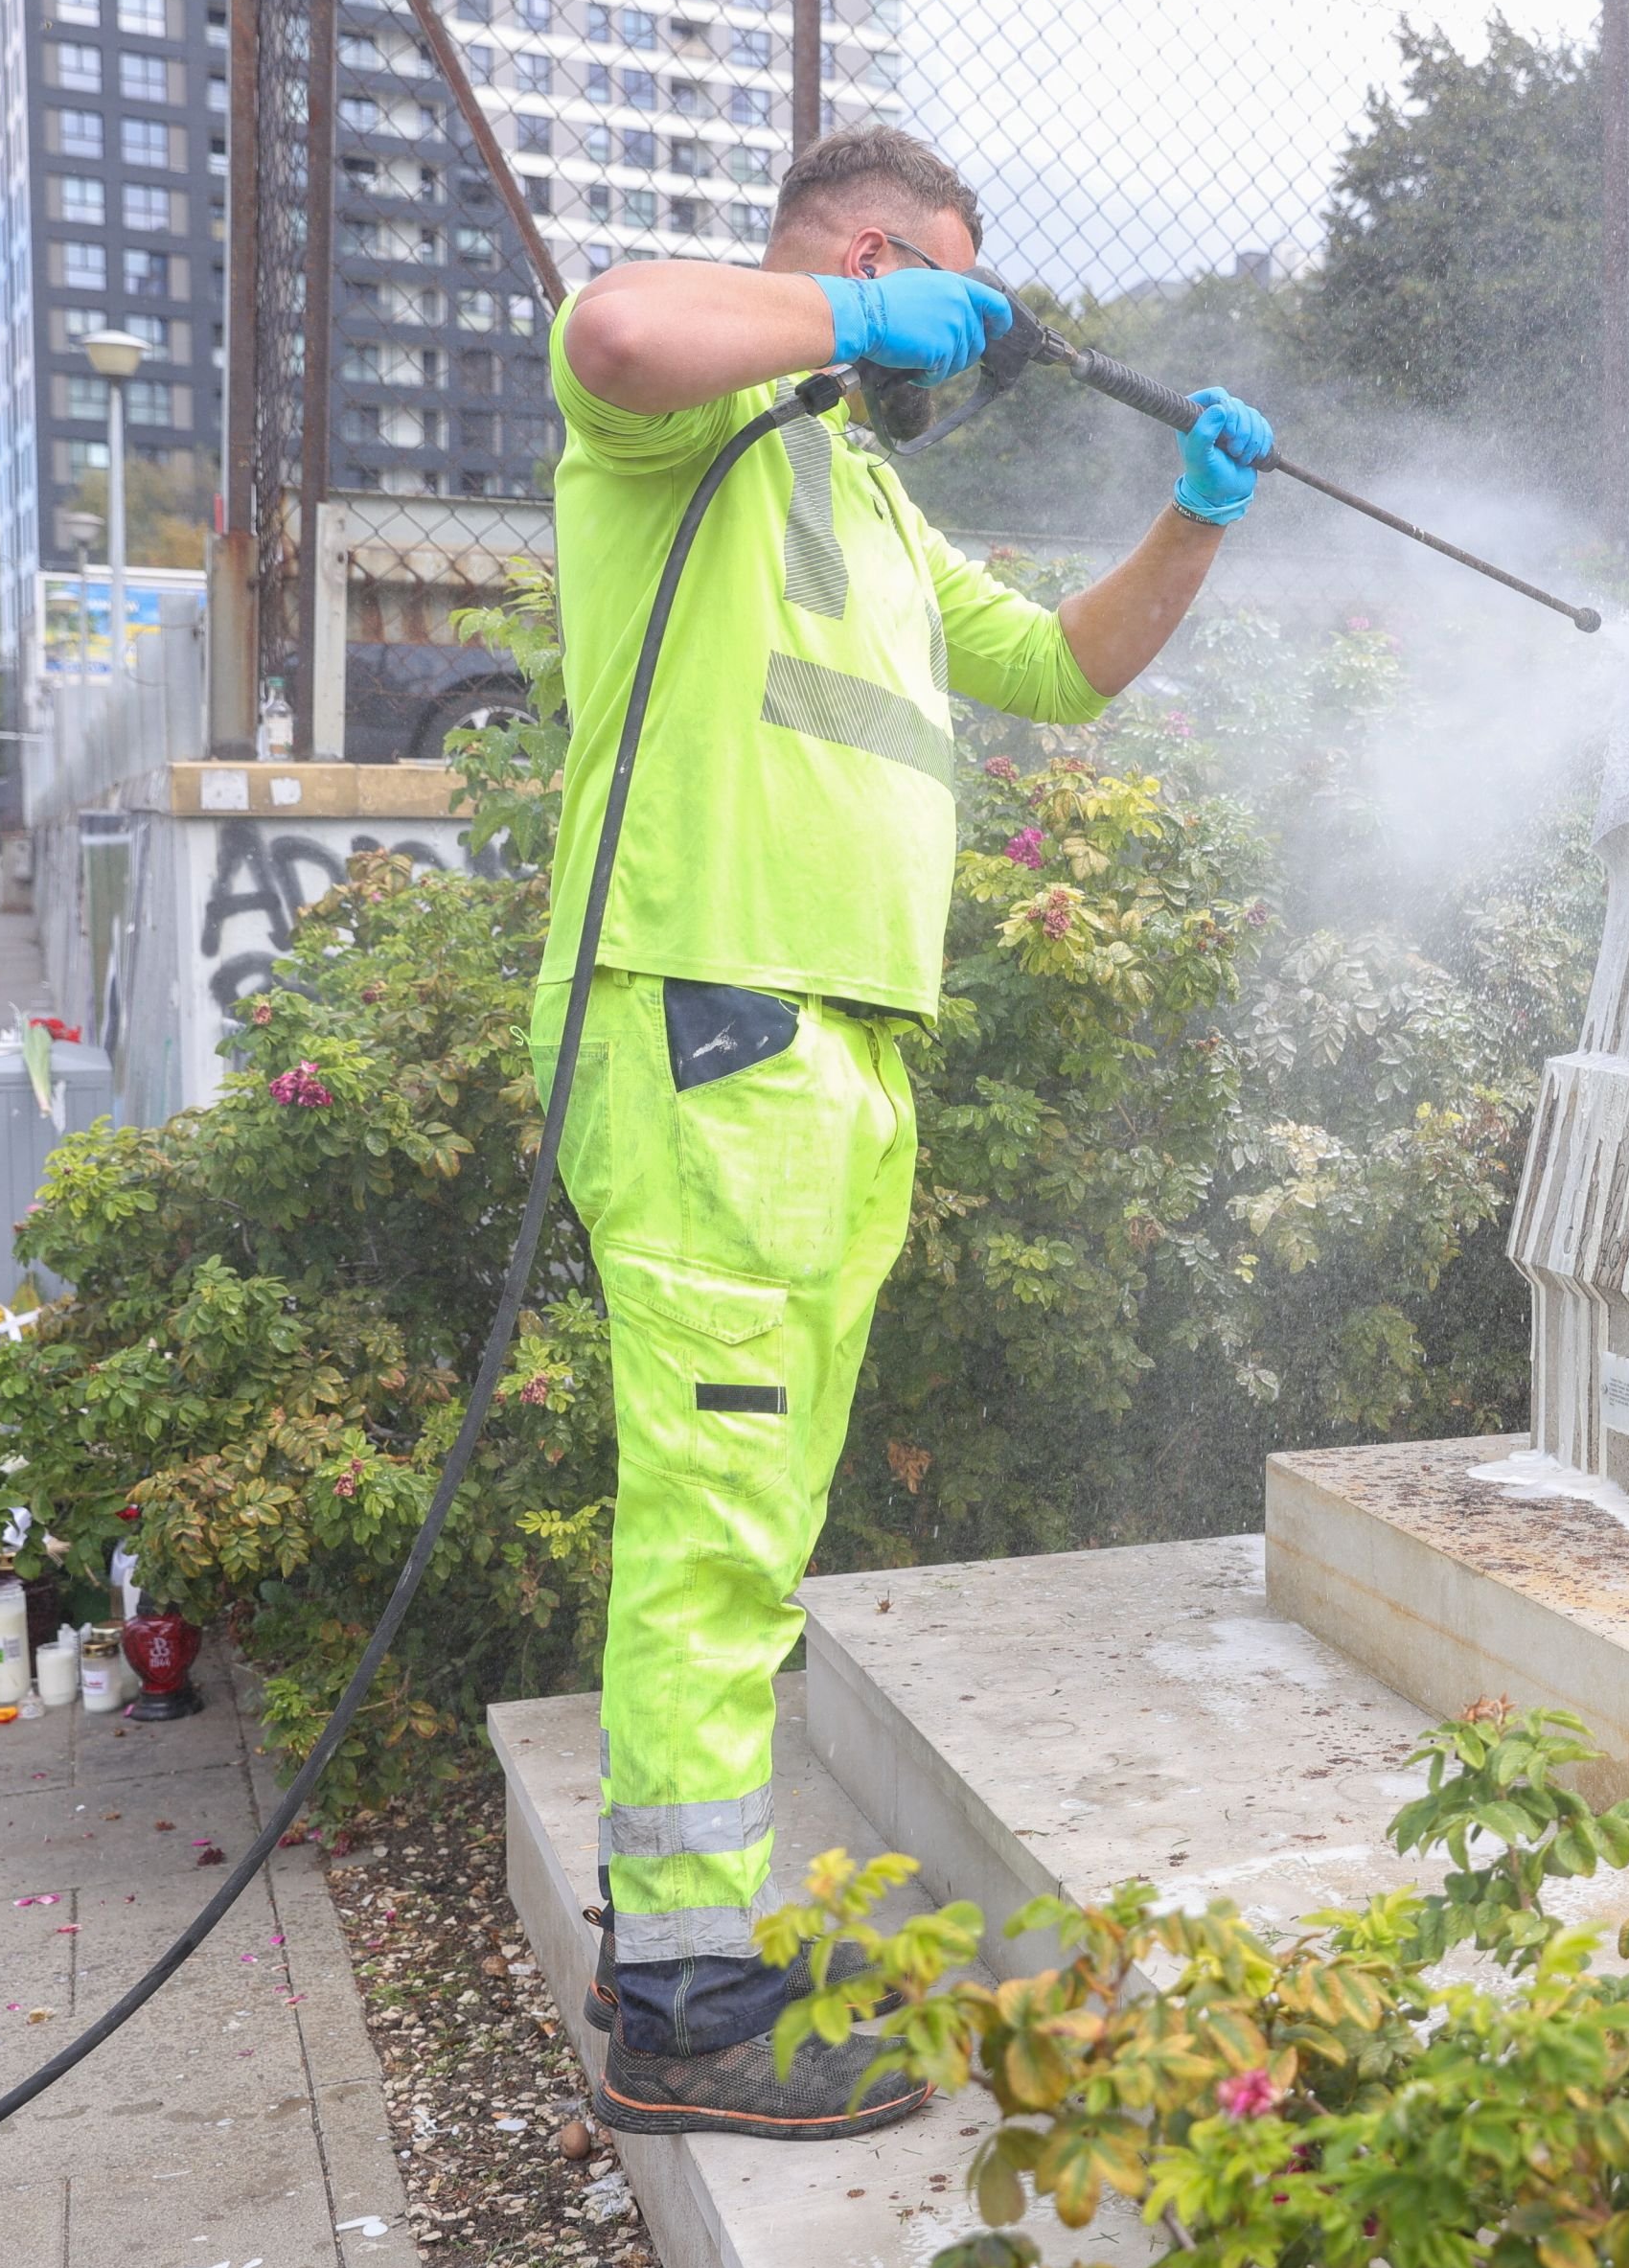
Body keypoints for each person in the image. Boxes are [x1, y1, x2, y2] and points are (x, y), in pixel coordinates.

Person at [539, 126, 1271, 2140]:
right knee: (714, 1516)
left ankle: (684, 1934)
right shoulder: (687, 433)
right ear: (871, 259)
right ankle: (686, 2003)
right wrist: (856, 316)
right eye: (934, 289)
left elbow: (1060, 668)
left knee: (748, 1521)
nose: (952, 343)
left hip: (830, 1053)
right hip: (716, 1020)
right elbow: (616, 324)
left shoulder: (857, 487)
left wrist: (1195, 519)